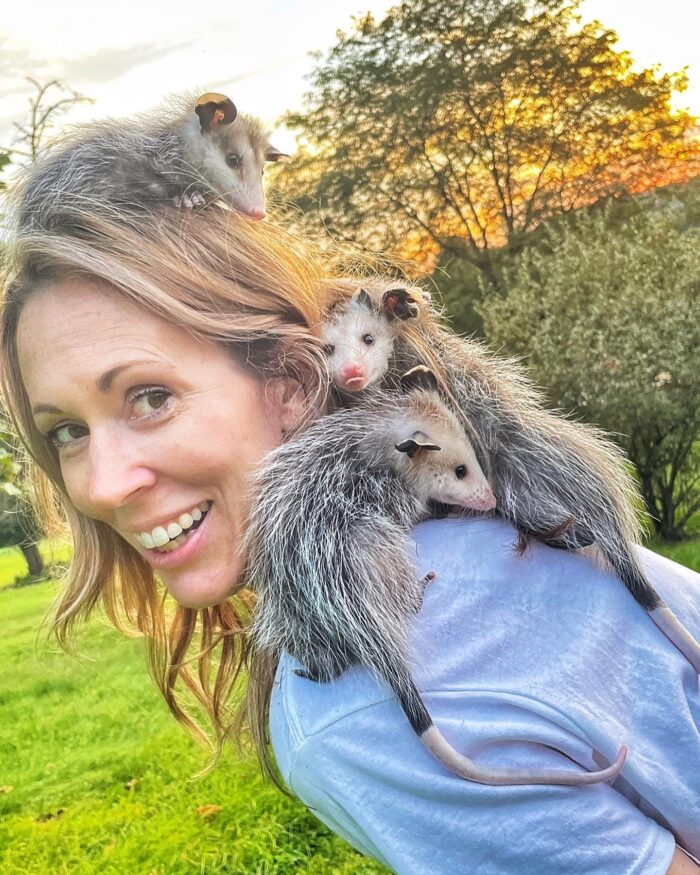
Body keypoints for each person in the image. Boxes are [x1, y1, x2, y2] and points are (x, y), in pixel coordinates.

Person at [1, 176, 698, 874]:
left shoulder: (351, 716)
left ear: (294, 385)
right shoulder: (471, 526)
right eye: (64, 431)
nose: (100, 483)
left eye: (150, 396)